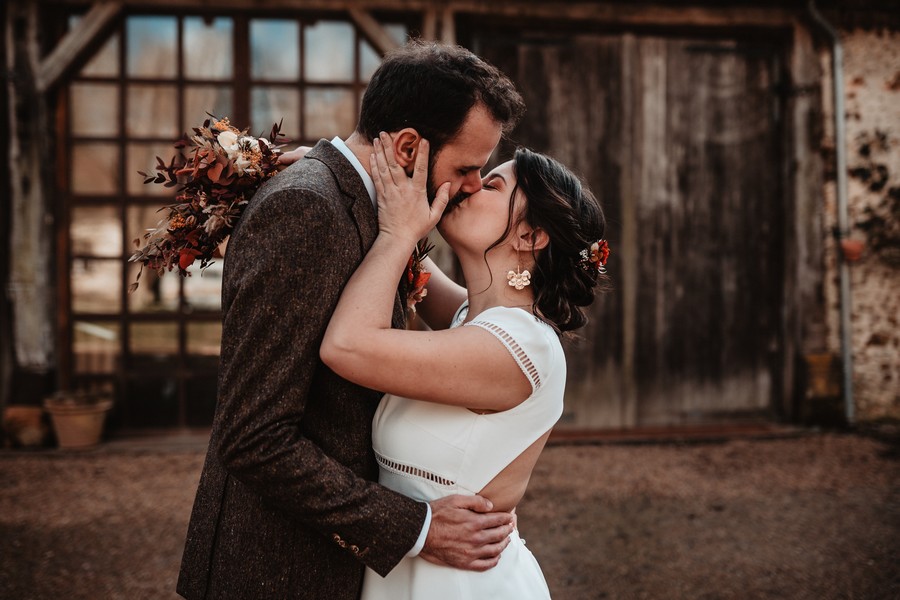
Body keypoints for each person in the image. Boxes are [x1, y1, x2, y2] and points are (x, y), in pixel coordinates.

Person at [177, 42, 525, 599]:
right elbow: (252, 437)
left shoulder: (376, 208)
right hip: (278, 571)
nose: (472, 187)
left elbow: (468, 315)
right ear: (409, 146)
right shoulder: (308, 210)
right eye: (466, 168)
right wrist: (418, 527)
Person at [320, 135, 608, 599]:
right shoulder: (474, 318)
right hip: (411, 571)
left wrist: (399, 233)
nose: (469, 187)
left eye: (492, 186)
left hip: (457, 585)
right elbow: (408, 247)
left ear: (529, 237)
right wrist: (306, 165)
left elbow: (347, 346)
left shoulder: (519, 348)